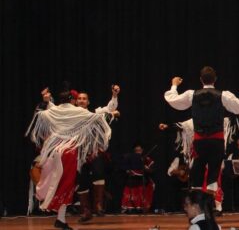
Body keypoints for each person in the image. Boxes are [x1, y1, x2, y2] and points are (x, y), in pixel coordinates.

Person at [26, 84, 115, 230]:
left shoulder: (54, 111)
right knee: (66, 186)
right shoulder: (77, 112)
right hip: (68, 153)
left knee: (61, 184)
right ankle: (59, 217)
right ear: (71, 100)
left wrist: (45, 101)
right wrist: (112, 114)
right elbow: (97, 118)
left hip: (55, 151)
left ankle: (60, 219)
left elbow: (40, 113)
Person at [164, 66, 239, 194]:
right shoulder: (223, 95)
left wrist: (174, 85)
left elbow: (173, 101)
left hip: (199, 140)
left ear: (201, 79)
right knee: (213, 172)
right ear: (215, 79)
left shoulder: (192, 95)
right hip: (216, 139)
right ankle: (210, 201)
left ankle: (198, 197)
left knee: (198, 168)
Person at [74, 85, 120, 221]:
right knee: (81, 180)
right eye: (79, 99)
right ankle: (85, 210)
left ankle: (98, 204)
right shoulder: (70, 115)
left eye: (84, 99)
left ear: (88, 102)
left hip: (94, 150)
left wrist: (114, 95)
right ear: (76, 102)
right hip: (78, 152)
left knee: (99, 172)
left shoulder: (95, 113)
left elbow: (110, 108)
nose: (82, 101)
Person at [120, 143, 155, 213]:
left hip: (142, 180)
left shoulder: (146, 158)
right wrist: (128, 170)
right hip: (132, 179)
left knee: (147, 187)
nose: (138, 151)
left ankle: (142, 207)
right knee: (129, 189)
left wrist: (146, 168)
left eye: (140, 150)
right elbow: (124, 167)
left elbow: (152, 170)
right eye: (136, 150)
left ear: (142, 150)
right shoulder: (129, 157)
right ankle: (129, 207)